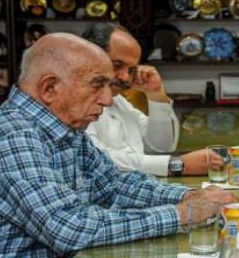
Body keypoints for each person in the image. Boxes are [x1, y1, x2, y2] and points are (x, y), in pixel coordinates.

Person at [0, 33, 236, 256]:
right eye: (97, 85)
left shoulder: (62, 126)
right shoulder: (14, 135)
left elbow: (113, 185)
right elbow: (69, 228)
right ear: (50, 88)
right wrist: (183, 214)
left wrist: (187, 196)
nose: (108, 99)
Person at [82, 23, 218, 177]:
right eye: (117, 65)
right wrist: (176, 165)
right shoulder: (73, 102)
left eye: (131, 69)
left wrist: (155, 94)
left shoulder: (118, 100)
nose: (125, 77)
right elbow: (94, 159)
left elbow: (162, 146)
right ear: (89, 57)